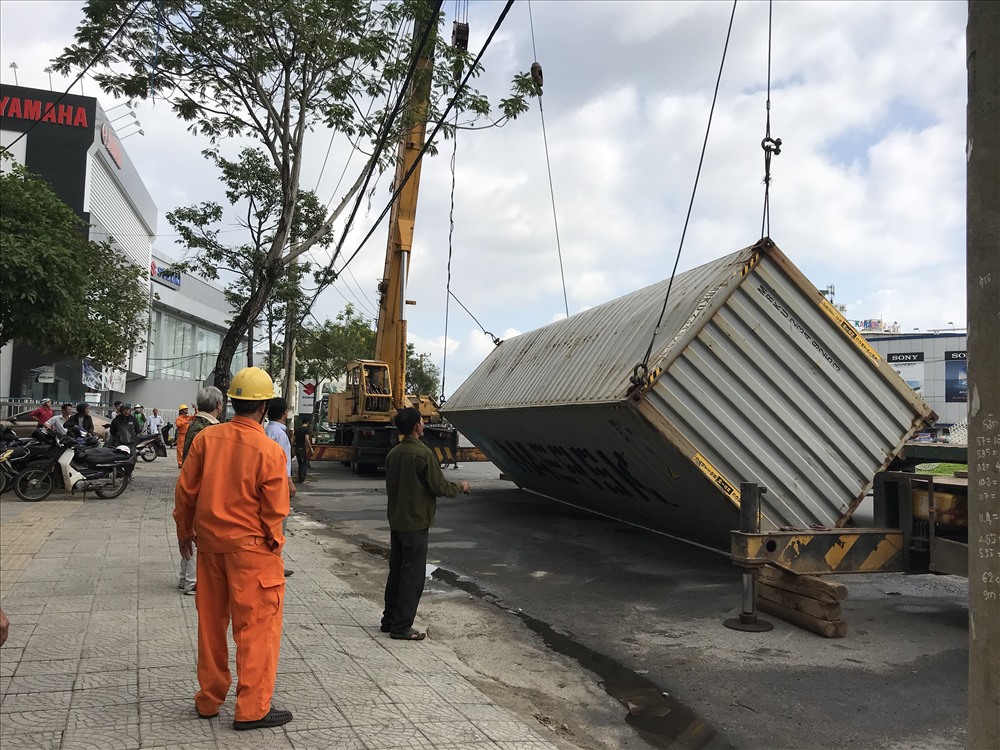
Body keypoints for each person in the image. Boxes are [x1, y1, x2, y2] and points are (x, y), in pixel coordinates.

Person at [173, 367, 292, 730]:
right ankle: (252, 708)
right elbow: (276, 511)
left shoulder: (207, 440)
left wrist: (184, 533)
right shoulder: (270, 452)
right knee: (255, 629)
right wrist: (275, 545)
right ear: (264, 406)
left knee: (211, 627)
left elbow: (185, 492)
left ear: (233, 403)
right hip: (252, 553)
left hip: (210, 549)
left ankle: (209, 700)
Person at [381, 407, 470, 641]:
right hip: (416, 522)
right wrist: (461, 487)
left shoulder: (394, 454)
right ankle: (401, 627)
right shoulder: (423, 454)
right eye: (421, 421)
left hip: (397, 520)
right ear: (416, 427)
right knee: (413, 575)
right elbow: (439, 487)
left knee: (397, 571)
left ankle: (389, 620)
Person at [176, 387, 225, 596]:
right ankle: (192, 582)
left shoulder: (195, 423)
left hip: (190, 484)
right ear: (218, 406)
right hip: (202, 487)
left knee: (189, 531)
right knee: (198, 535)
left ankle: (184, 578)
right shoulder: (210, 429)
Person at [264, 398, 296, 578]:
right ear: (284, 413)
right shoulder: (280, 435)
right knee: (279, 526)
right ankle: (275, 564)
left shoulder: (266, 431)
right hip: (279, 484)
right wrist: (290, 483)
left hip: (266, 483)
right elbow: (284, 463)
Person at [293, 417, 312, 483]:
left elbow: (293, 439)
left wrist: (293, 446)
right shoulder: (306, 430)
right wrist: (310, 448)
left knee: (300, 464)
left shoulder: (297, 429)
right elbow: (307, 439)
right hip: (302, 448)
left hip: (297, 448)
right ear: (307, 423)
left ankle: (299, 479)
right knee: (304, 464)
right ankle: (302, 479)